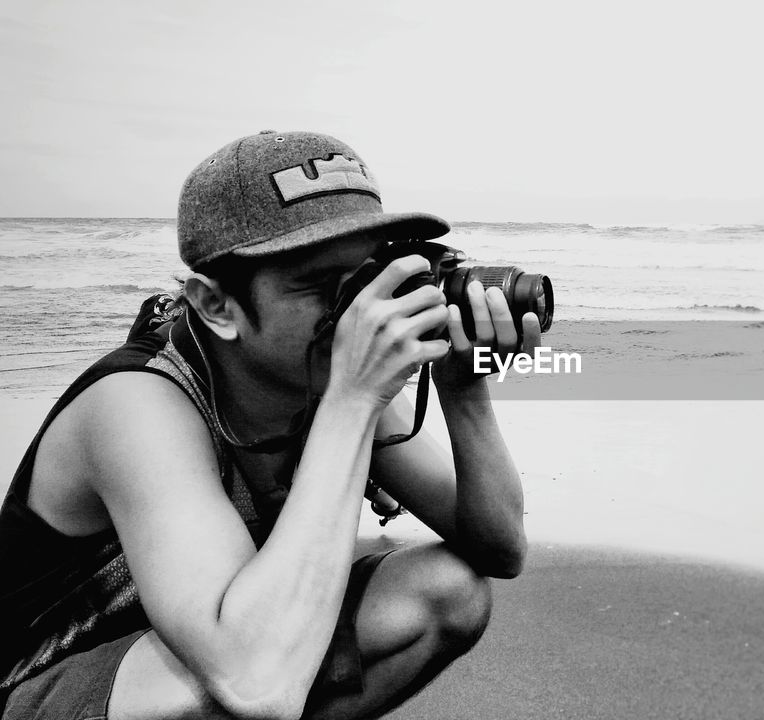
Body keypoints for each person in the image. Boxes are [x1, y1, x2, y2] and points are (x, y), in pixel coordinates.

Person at [0, 130, 540, 719]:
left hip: (219, 651)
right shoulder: (137, 405)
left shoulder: (329, 371)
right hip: (44, 688)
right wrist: (353, 401)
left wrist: (464, 390)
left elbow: (498, 549)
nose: (357, 310)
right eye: (317, 285)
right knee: (234, 680)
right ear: (216, 305)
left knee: (447, 591)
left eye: (367, 277)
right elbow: (257, 684)